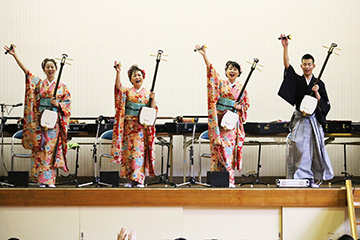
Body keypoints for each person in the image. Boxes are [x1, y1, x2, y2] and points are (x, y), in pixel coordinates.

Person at [4, 44, 71, 187]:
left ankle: (50, 180)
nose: (50, 69)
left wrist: (58, 104)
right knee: (40, 150)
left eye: (52, 66)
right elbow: (27, 73)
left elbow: (67, 103)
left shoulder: (62, 87)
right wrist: (15, 55)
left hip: (54, 123)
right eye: (47, 67)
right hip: (42, 121)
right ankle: (41, 180)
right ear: (44, 69)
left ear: (56, 68)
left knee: (50, 151)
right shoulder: (39, 84)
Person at [278, 34, 334, 187]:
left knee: (314, 150)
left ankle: (313, 178)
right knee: (297, 147)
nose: (307, 67)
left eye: (309, 64)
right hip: (300, 120)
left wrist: (316, 94)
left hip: (313, 121)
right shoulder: (297, 80)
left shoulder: (319, 83)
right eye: (304, 64)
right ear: (301, 66)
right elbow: (287, 67)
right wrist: (285, 47)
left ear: (314, 66)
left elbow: (325, 105)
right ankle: (298, 177)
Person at [195, 44, 250, 187]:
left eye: (235, 69)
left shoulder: (241, 89)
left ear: (239, 73)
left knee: (227, 151)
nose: (232, 71)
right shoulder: (220, 83)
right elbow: (211, 73)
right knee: (217, 151)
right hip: (219, 121)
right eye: (230, 68)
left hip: (231, 125)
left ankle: (229, 180)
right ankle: (217, 181)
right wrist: (204, 56)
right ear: (225, 71)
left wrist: (240, 107)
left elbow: (246, 106)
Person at [111, 62, 157, 188]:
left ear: (143, 77)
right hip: (129, 126)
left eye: (139, 75)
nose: (137, 77)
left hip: (141, 127)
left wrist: (152, 99)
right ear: (130, 79)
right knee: (129, 153)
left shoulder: (148, 93)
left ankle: (140, 180)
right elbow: (118, 88)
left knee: (139, 153)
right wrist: (118, 72)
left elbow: (152, 110)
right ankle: (131, 180)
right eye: (134, 75)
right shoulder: (127, 91)